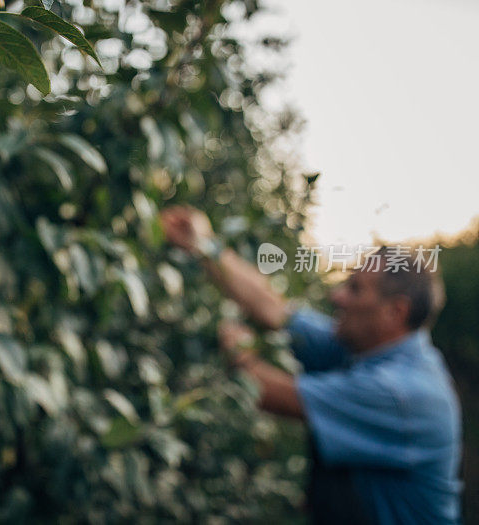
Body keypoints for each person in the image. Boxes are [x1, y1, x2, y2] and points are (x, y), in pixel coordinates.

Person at [161, 205, 462, 524]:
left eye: (354, 289)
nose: (337, 297)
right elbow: (274, 309)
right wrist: (204, 244)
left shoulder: (400, 393)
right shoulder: (364, 349)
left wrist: (239, 349)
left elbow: (271, 394)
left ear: (395, 312)